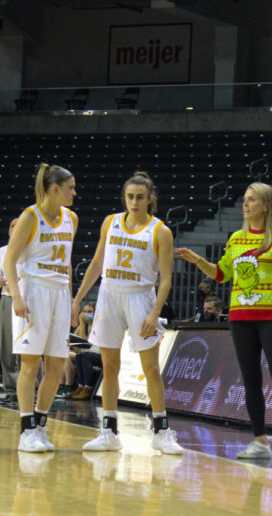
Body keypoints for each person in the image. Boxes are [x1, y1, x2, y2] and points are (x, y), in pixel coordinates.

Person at [176, 182, 272, 463]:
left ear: (266, 205)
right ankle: (259, 440)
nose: (245, 205)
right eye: (245, 200)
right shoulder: (236, 238)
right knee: (250, 380)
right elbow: (221, 274)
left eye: (252, 200)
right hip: (240, 318)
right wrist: (198, 260)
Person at [72, 171, 183, 455]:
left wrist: (154, 312)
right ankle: (109, 430)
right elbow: (97, 263)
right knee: (110, 367)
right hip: (109, 295)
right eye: (130, 197)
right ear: (124, 197)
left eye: (140, 197)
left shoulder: (161, 231)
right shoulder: (110, 222)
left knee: (151, 370)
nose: (134, 202)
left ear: (150, 199)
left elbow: (167, 278)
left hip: (141, 298)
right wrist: (78, 298)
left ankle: (161, 430)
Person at [4, 163, 78, 453]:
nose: (75, 192)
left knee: (57, 365)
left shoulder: (72, 217)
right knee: (30, 363)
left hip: (60, 292)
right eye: (70, 187)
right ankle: (25, 431)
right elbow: (10, 259)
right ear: (55, 189)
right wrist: (17, 295)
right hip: (33, 290)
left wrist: (72, 300)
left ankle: (40, 425)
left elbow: (68, 263)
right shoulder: (30, 216)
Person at [0, 217, 21, 391]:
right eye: (11, 226)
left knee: (27, 345)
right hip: (7, 298)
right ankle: (10, 387)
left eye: (17, 226)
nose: (14, 229)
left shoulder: (30, 250)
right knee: (7, 345)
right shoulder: (1, 252)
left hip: (26, 299)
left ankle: (31, 386)